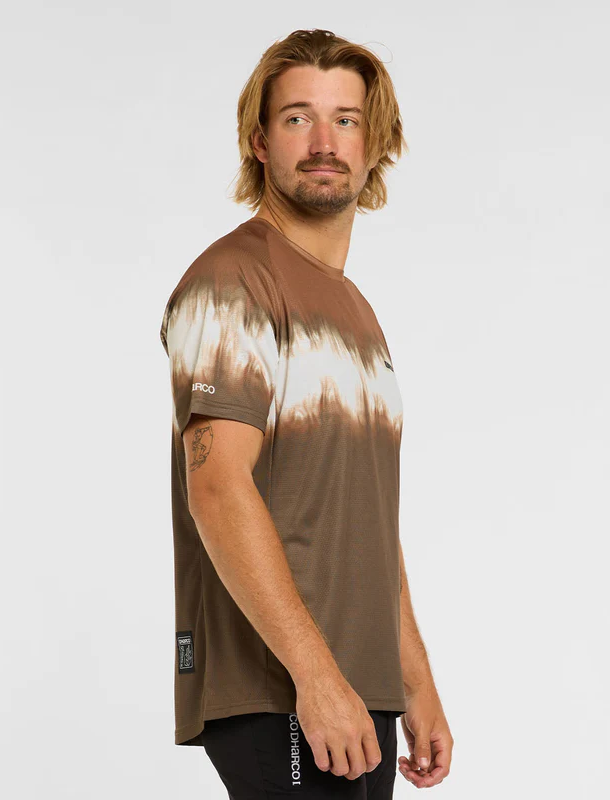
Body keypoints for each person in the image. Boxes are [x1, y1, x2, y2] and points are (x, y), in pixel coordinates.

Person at [159, 28, 453, 797]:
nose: (324, 142)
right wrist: (314, 677)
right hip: (281, 685)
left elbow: (365, 517)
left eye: (345, 120)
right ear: (258, 141)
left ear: (374, 143)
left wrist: (413, 680)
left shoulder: (353, 309)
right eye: (297, 118)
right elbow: (216, 487)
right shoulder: (234, 280)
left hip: (356, 688)